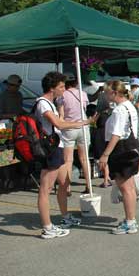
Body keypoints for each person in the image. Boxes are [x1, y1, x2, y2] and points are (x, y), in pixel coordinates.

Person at [35, 71, 96, 239]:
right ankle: (47, 227)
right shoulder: (43, 104)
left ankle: (64, 216)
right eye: (61, 86)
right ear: (52, 88)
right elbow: (59, 124)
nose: (64, 89)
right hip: (51, 149)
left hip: (58, 146)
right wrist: (83, 122)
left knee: (64, 182)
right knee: (45, 189)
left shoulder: (51, 102)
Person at [98, 81, 139, 235]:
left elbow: (116, 134)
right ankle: (130, 219)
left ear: (115, 93)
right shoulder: (129, 106)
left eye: (107, 92)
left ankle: (130, 222)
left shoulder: (119, 110)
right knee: (128, 188)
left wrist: (105, 154)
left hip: (122, 149)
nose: (105, 94)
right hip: (131, 146)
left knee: (126, 188)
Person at [60, 76, 93, 194]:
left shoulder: (62, 95)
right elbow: (85, 108)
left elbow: (61, 115)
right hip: (83, 126)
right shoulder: (83, 93)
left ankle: (67, 187)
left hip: (69, 127)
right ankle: (89, 185)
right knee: (84, 158)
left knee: (68, 160)